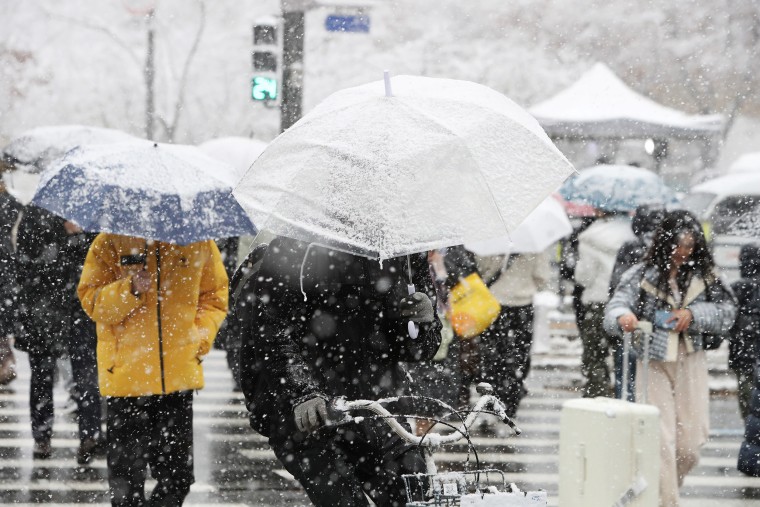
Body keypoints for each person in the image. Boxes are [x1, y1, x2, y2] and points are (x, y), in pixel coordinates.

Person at [239, 236, 442, 507]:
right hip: (312, 415)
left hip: (377, 407)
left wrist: (424, 324)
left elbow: (417, 351)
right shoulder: (295, 245)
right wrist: (303, 391)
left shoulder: (400, 250)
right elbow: (270, 335)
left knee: (416, 497)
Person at [78, 234, 228, 506]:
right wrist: (130, 289)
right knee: (125, 482)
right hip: (126, 382)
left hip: (177, 381)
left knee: (178, 477)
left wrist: (198, 338)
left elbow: (215, 297)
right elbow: (92, 301)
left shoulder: (197, 242)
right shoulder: (110, 242)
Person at [604, 210, 736, 507]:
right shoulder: (640, 274)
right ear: (664, 243)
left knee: (689, 445)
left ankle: (663, 489)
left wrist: (694, 315)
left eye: (689, 246)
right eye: (677, 245)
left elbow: (728, 311)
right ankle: (666, 502)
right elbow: (615, 306)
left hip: (691, 358)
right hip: (652, 359)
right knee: (659, 439)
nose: (683, 252)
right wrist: (623, 317)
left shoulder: (708, 275)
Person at [15, 205, 103, 463]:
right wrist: (60, 234)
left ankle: (89, 436)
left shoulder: (91, 214)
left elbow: (100, 261)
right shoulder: (35, 213)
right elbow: (27, 260)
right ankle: (42, 437)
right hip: (43, 310)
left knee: (86, 374)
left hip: (79, 307)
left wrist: (80, 236)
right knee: (43, 376)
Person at [476, 251, 551, 418]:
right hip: (523, 304)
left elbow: (482, 270)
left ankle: (493, 393)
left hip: (494, 303)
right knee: (520, 353)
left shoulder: (493, 243)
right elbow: (542, 277)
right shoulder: (534, 246)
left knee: (493, 353)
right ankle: (513, 391)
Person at [574, 210, 635, 397]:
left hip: (597, 302)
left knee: (595, 357)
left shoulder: (592, 237)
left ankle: (598, 398)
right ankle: (624, 397)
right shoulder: (632, 233)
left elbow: (584, 277)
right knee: (624, 357)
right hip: (625, 306)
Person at [608, 205, 664, 401]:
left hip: (630, 323)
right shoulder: (669, 249)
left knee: (626, 380)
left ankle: (627, 422)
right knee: (656, 384)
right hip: (661, 326)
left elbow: (616, 285)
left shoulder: (631, 248)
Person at [728, 243, 760, 421]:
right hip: (747, 349)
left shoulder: (738, 287)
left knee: (747, 395)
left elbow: (728, 318)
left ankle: (751, 429)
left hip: (742, 351)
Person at [0, 181, 21, 385]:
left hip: (4, 264)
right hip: (5, 264)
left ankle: (5, 363)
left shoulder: (8, 202)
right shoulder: (9, 202)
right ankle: (6, 363)